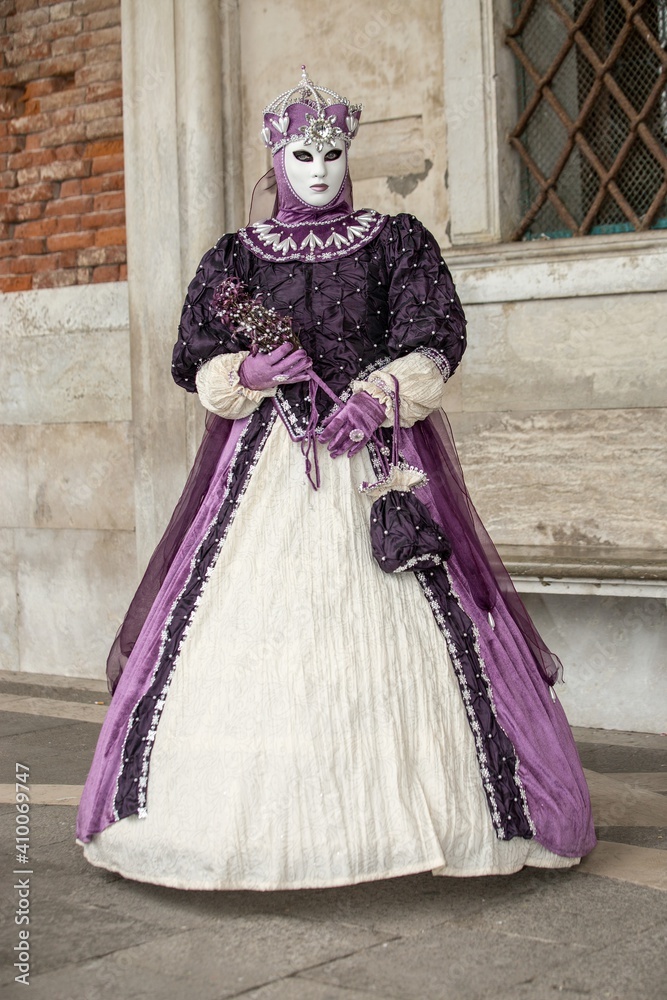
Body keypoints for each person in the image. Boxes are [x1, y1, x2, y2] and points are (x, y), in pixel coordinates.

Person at [76, 68, 596, 890]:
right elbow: (196, 364)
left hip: (375, 468)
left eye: (330, 152)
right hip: (267, 477)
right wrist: (251, 365)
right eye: (300, 153)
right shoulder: (233, 261)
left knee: (411, 632)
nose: (317, 169)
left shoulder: (396, 242)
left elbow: (433, 341)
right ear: (275, 157)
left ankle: (426, 818)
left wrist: (373, 399)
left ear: (347, 153)